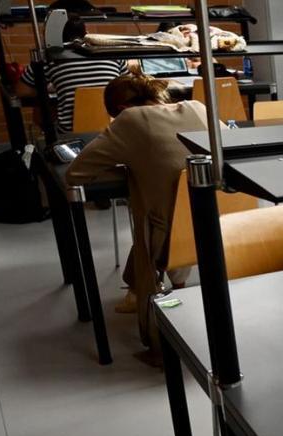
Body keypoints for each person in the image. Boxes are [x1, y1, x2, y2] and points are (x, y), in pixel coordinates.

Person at [65, 73, 207, 347]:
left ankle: (156, 312)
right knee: (173, 212)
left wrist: (125, 163)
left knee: (155, 220)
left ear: (120, 111)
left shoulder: (129, 121)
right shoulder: (197, 107)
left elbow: (76, 173)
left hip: (169, 237)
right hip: (227, 226)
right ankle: (151, 290)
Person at [15, 0, 129, 133]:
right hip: (115, 132)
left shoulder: (49, 59)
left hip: (71, 135)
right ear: (85, 31)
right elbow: (126, 86)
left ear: (49, 35)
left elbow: (21, 91)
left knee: (41, 112)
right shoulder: (111, 54)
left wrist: (55, 86)